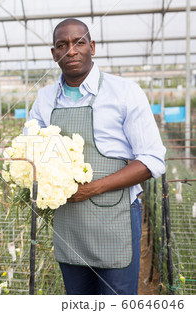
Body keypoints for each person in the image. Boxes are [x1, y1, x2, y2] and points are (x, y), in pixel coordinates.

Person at [27, 18, 166, 295]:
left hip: (116, 217)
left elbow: (152, 160)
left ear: (92, 47)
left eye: (79, 42)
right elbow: (31, 150)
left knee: (117, 299)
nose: (71, 50)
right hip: (69, 219)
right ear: (54, 54)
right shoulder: (44, 99)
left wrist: (90, 189)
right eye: (62, 45)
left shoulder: (125, 93)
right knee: (78, 298)